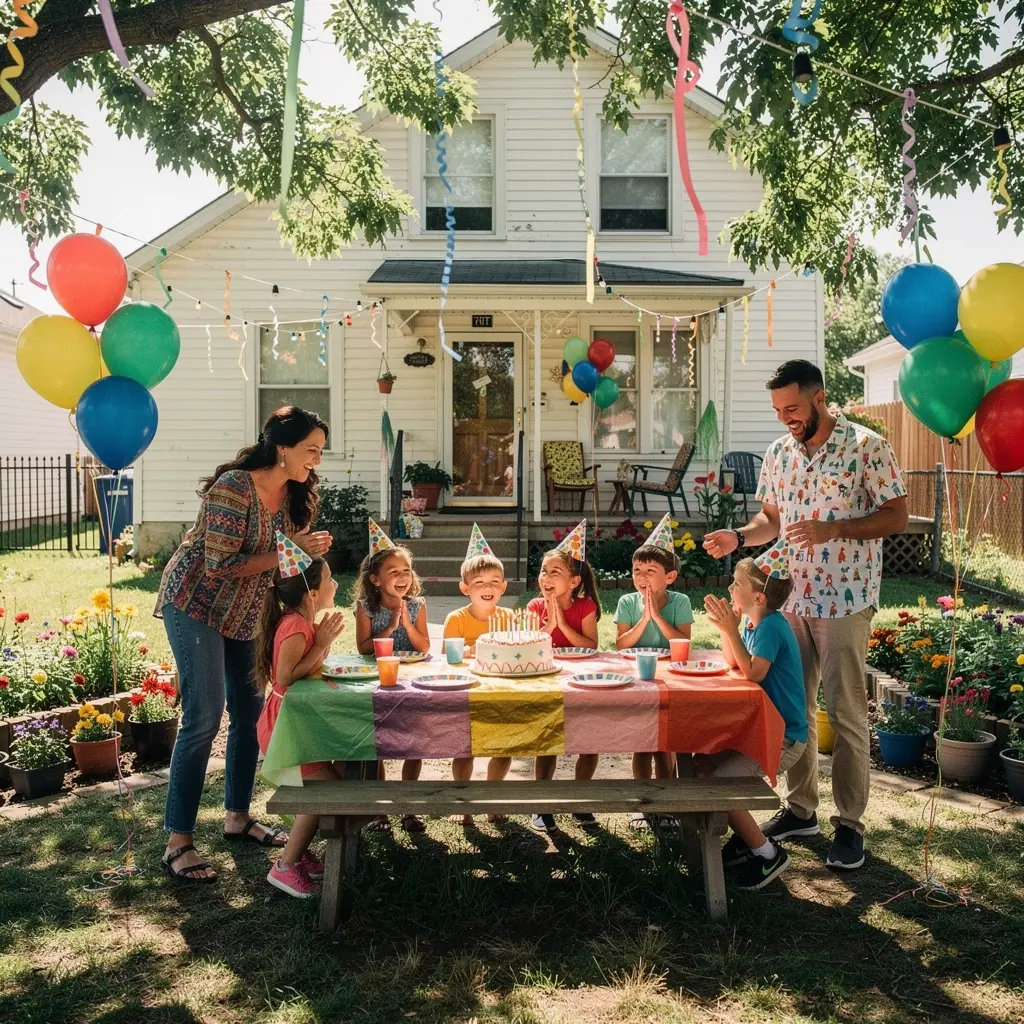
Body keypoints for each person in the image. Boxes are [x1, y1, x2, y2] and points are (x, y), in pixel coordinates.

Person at [704, 360, 908, 870]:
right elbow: (769, 521)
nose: (785, 419)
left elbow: (897, 516)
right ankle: (801, 810)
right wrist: (739, 537)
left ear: (819, 398)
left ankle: (851, 825)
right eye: (778, 410)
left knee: (845, 713)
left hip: (844, 597)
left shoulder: (866, 447)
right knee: (791, 707)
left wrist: (832, 530)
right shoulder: (778, 453)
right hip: (789, 599)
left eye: (792, 408)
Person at [156, 406, 333, 883]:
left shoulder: (296, 495)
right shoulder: (234, 488)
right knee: (204, 717)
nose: (316, 460)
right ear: (282, 447)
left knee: (251, 713)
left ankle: (237, 817)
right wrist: (290, 551)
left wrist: (303, 558)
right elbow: (218, 564)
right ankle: (178, 842)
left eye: (319, 451)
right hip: (195, 602)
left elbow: (281, 569)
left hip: (243, 610)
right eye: (310, 450)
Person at [700, 550, 807, 890]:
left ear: (758, 597)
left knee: (716, 784)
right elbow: (734, 662)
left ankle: (766, 852)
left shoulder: (772, 627)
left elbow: (753, 673)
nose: (730, 588)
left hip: (783, 738)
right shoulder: (755, 622)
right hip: (762, 731)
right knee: (701, 764)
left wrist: (732, 629)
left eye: (736, 584)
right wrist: (726, 627)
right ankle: (734, 840)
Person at [254, 541, 345, 897]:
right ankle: (285, 866)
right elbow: (287, 677)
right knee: (328, 790)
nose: (335, 584)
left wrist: (321, 643)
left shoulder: (302, 622)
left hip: (298, 724)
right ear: (312, 593)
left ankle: (302, 853)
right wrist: (321, 644)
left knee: (342, 780)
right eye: (330, 579)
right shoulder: (296, 626)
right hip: (285, 728)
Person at [615, 513, 694, 829]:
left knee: (666, 745)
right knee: (642, 744)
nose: (642, 577)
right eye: (637, 571)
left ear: (670, 577)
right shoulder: (626, 602)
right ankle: (642, 804)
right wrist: (643, 619)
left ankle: (668, 803)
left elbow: (683, 642)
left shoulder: (681, 601)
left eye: (651, 571)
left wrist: (657, 617)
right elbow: (622, 645)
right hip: (638, 678)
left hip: (670, 678)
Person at [353, 518, 430, 832]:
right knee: (376, 741)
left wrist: (407, 623)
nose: (402, 577)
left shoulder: (417, 604)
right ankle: (380, 809)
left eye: (406, 571)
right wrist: (389, 627)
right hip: (379, 679)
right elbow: (362, 649)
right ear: (375, 579)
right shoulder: (365, 607)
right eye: (393, 572)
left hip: (410, 678)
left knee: (415, 740)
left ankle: (408, 806)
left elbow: (424, 646)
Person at [526, 521, 600, 833]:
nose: (545, 577)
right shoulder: (533, 606)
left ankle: (579, 801)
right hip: (547, 680)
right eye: (543, 571)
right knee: (548, 740)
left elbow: (591, 645)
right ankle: (542, 805)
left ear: (573, 581)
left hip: (581, 682)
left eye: (554, 572)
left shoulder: (585, 606)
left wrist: (562, 623)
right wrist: (549, 621)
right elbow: (529, 644)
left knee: (589, 740)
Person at [442, 523, 511, 824]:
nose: (488, 588)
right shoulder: (455, 618)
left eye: (495, 581)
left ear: (504, 587)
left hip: (500, 691)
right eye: (479, 582)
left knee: (505, 744)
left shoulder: (508, 618)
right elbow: (448, 655)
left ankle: (493, 795)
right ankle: (464, 800)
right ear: (465, 588)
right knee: (463, 747)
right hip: (466, 691)